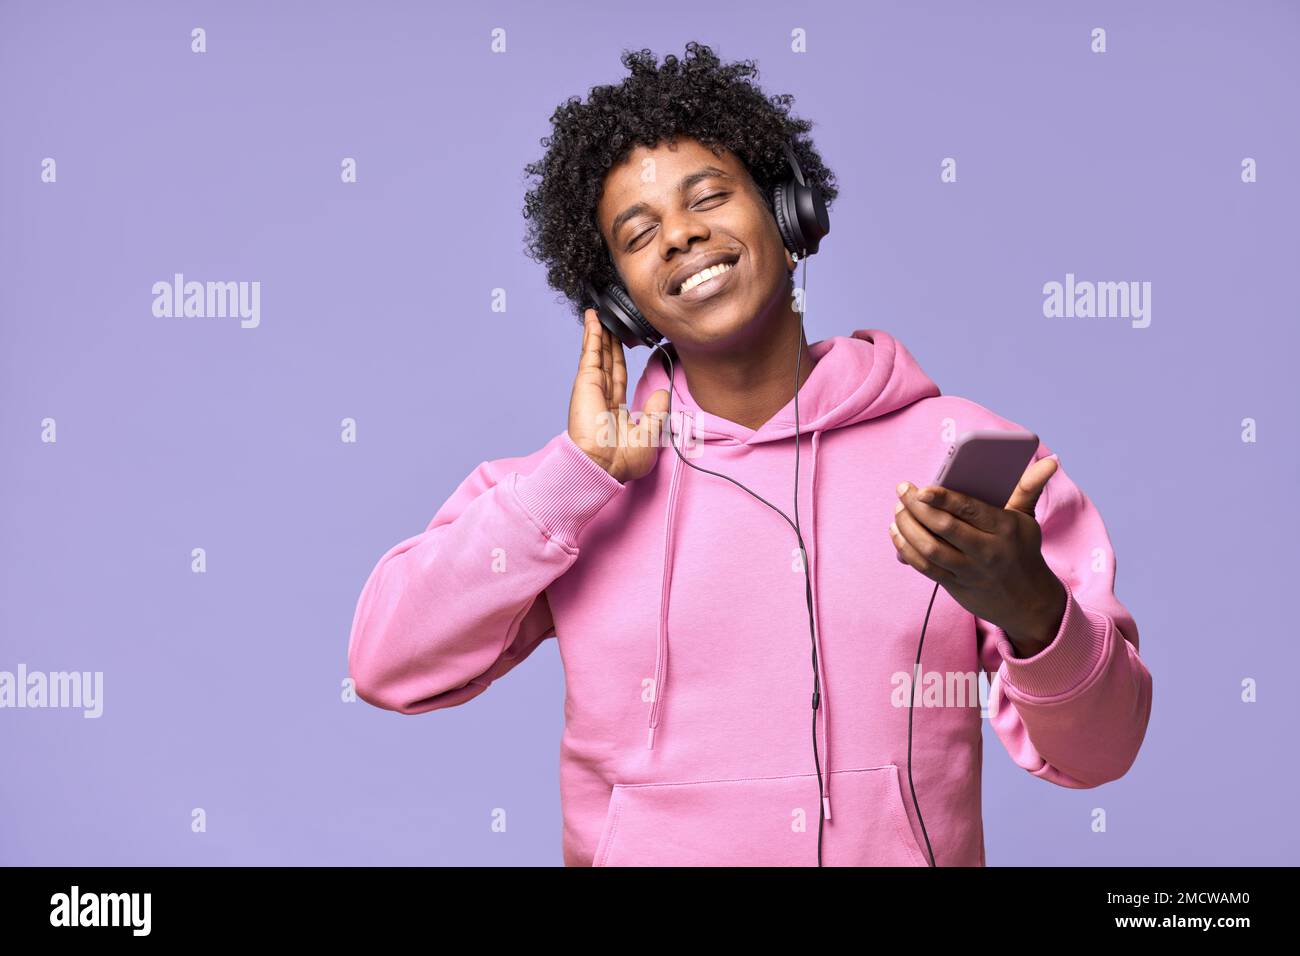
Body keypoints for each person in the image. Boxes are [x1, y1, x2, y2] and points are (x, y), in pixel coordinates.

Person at [347, 42, 1153, 867]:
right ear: (619, 299)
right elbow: (385, 665)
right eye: (638, 232)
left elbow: (1102, 752)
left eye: (710, 197)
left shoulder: (964, 458)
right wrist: (571, 480)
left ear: (788, 213)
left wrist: (1033, 610)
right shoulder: (573, 491)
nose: (681, 236)